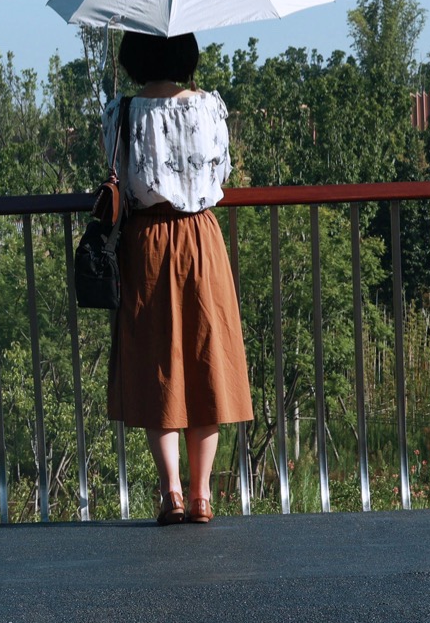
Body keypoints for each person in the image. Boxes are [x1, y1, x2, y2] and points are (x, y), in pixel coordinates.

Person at [102, 30, 252, 526]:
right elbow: (221, 172)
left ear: (135, 56)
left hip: (146, 241)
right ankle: (203, 494)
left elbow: (116, 172)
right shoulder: (210, 107)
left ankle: (171, 492)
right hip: (201, 238)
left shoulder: (122, 112)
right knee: (208, 357)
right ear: (186, 54)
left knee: (156, 362)